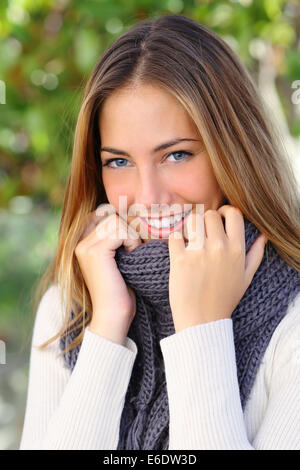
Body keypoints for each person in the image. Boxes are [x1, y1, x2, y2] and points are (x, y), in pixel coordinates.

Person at [19, 14, 300, 450]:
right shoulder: (70, 308)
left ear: (235, 151)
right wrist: (108, 324)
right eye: (119, 161)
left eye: (176, 155)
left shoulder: (293, 318)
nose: (149, 196)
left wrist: (201, 328)